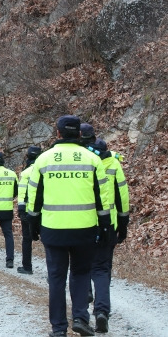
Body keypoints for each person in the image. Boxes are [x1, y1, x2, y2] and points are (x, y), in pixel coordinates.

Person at [27, 115, 111, 337]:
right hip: (85, 228)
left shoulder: (43, 160)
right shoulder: (93, 160)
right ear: (79, 134)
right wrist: (105, 226)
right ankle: (81, 318)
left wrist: (33, 224)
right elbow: (103, 198)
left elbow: (34, 197)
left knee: (56, 277)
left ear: (58, 133)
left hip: (53, 229)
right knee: (81, 274)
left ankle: (58, 328)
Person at [88, 139, 130, 333]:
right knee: (103, 269)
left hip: (85, 223)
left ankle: (81, 309)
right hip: (109, 224)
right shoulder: (114, 164)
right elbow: (123, 197)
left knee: (81, 266)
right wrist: (123, 224)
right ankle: (102, 310)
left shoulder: (86, 162)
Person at [16, 145, 42, 274]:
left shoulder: (26, 173)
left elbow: (21, 192)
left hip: (27, 210)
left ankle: (27, 266)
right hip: (45, 210)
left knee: (26, 239)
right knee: (47, 242)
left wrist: (21, 209)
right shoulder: (45, 169)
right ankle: (52, 272)